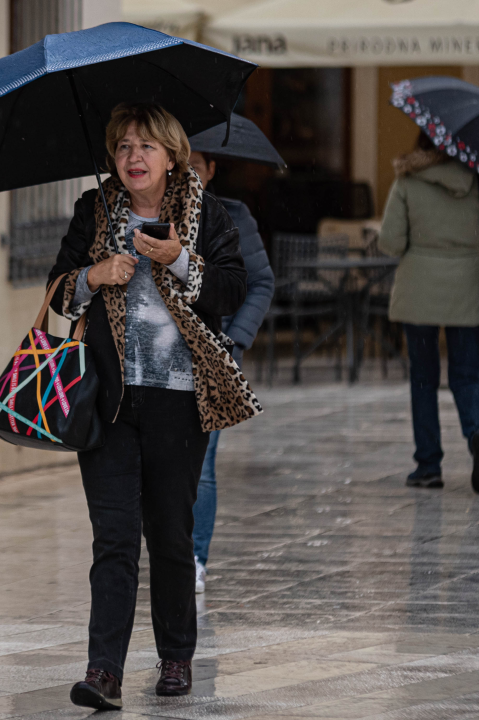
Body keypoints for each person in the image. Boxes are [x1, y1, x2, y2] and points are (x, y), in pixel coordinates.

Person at [47, 103, 258, 710]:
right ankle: (103, 672)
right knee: (113, 538)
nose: (133, 157)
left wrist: (181, 262)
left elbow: (231, 287)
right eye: (122, 147)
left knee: (170, 534)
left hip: (178, 401)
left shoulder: (206, 213)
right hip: (106, 402)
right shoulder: (94, 212)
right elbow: (58, 291)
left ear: (171, 155)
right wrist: (95, 275)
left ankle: (175, 659)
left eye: (146, 146)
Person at [378, 132, 479, 493]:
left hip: (419, 289)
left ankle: (428, 465)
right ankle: (478, 435)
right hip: (469, 287)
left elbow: (390, 242)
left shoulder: (407, 181)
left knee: (423, 379)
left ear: (422, 141)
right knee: (466, 376)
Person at [185, 151, 275, 594]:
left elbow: (261, 281)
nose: (186, 173)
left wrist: (235, 339)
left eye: (195, 164)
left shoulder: (230, 216)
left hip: (214, 358)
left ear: (213, 168)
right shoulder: (140, 213)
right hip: (154, 362)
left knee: (201, 465)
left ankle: (195, 558)